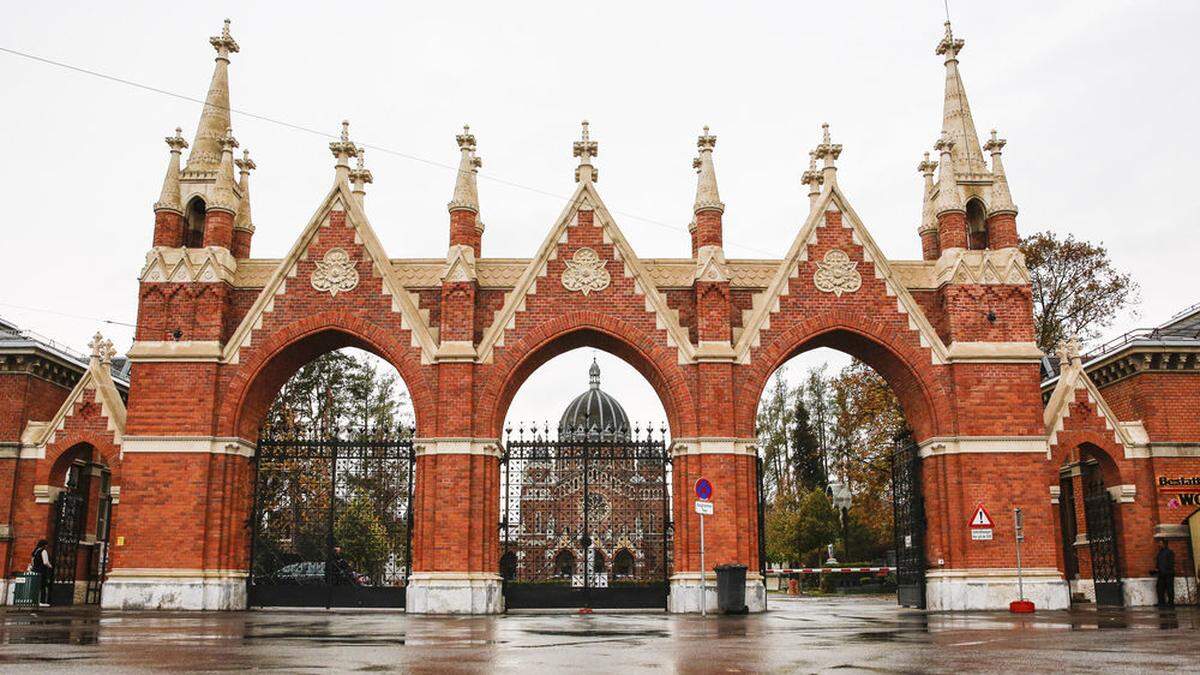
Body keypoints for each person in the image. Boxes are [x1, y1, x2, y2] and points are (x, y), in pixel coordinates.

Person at [1155, 539, 1176, 608]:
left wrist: (1165, 570)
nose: (1159, 545)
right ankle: (1161, 602)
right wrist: (1157, 569)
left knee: (1169, 589)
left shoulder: (1169, 552)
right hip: (1161, 574)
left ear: (1164, 544)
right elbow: (1158, 563)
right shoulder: (1159, 553)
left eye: (1160, 543)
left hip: (1168, 574)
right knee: (1160, 588)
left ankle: (1171, 602)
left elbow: (1171, 563)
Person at [31, 539, 52, 607]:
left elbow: (32, 561)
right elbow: (45, 562)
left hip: (35, 570)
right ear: (44, 545)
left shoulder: (35, 551)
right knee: (43, 586)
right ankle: (42, 602)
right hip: (42, 571)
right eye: (46, 545)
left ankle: (33, 600)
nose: (47, 546)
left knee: (36, 586)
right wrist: (50, 566)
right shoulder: (43, 551)